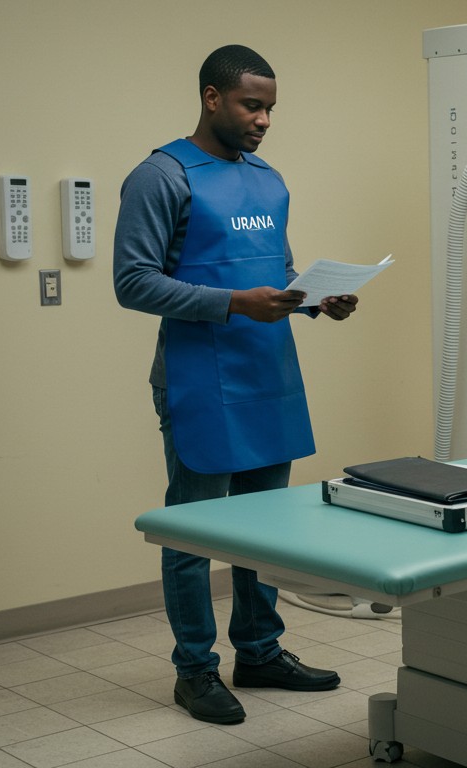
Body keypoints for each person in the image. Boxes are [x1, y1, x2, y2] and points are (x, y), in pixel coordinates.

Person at [113, 44, 358, 725]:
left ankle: (259, 651)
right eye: (253, 105)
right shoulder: (162, 176)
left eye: (271, 109)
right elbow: (131, 283)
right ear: (212, 97)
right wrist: (231, 303)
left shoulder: (270, 181)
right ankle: (195, 670)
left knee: (265, 531)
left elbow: (276, 276)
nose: (264, 120)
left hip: (267, 372)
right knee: (194, 533)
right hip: (200, 377)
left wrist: (315, 300)